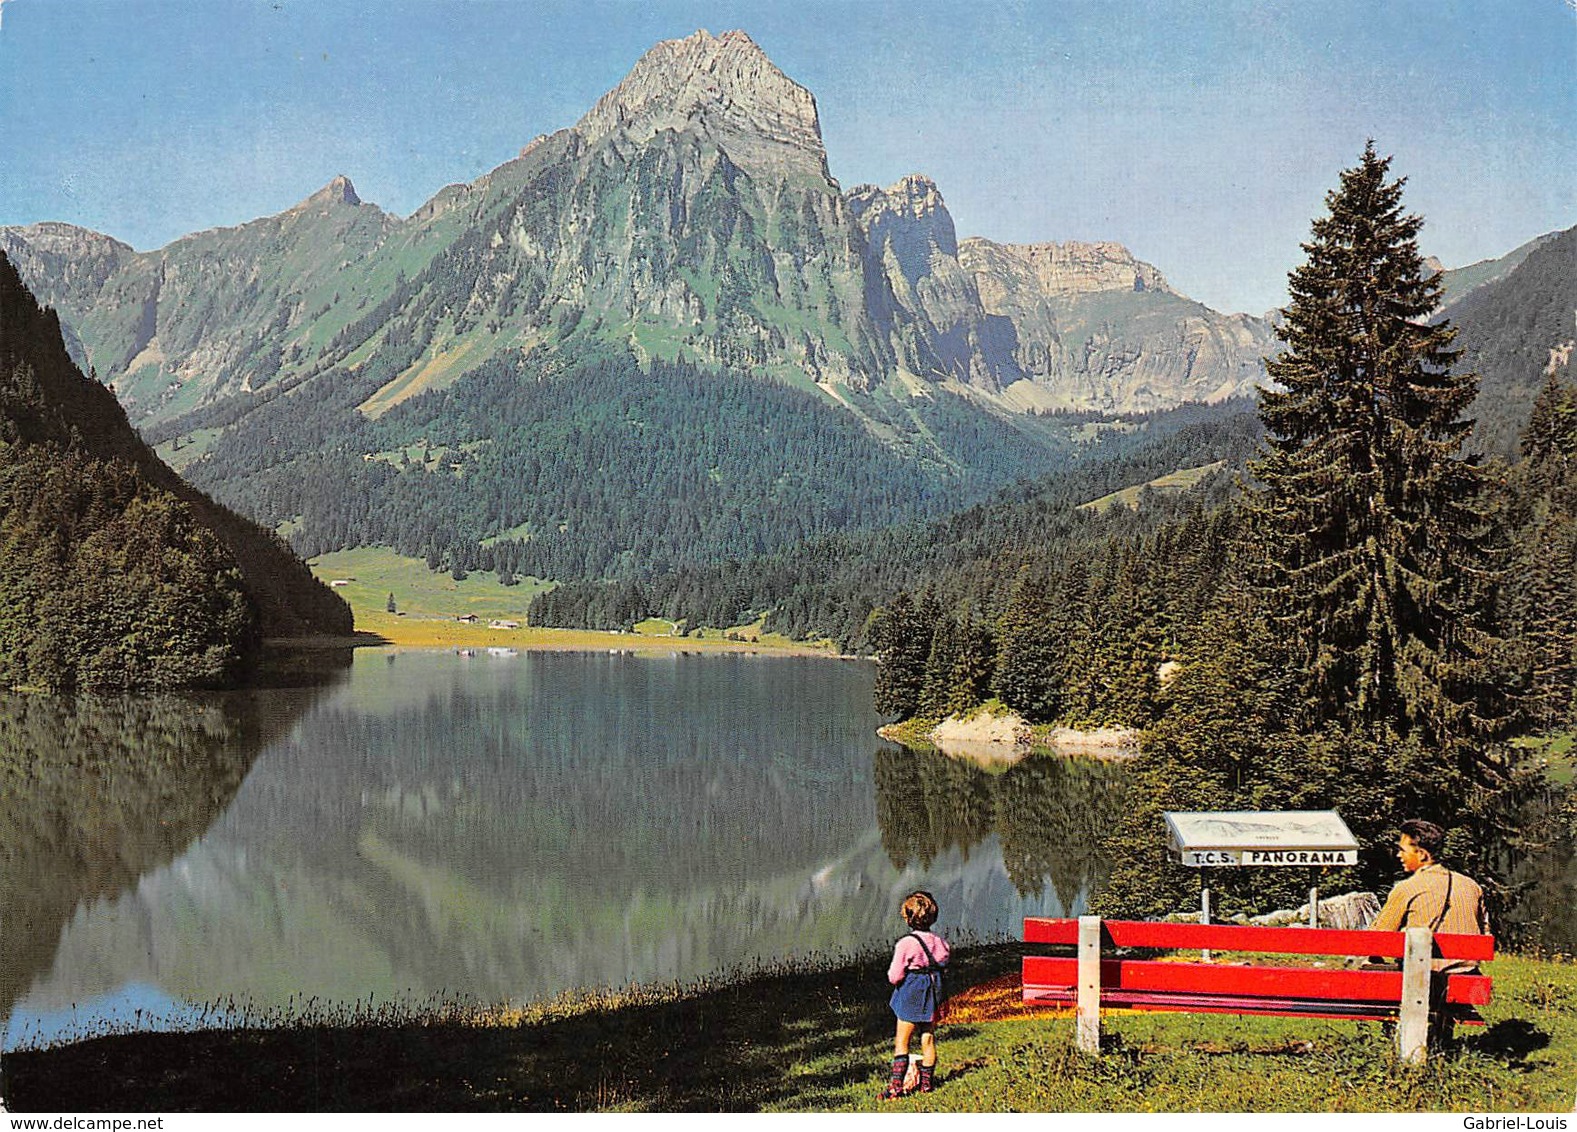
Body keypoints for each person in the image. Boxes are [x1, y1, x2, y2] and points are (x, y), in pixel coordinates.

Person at [880, 890, 950, 1100]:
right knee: (928, 1039)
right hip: (934, 991)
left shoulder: (905, 944)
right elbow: (944, 962)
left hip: (912, 991)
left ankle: (895, 1088)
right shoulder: (941, 942)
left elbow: (894, 976)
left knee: (902, 1041)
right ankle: (927, 1085)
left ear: (909, 918)